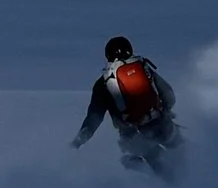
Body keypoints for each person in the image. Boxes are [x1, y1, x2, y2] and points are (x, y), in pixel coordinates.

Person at [75, 35, 180, 176]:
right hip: (160, 123)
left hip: (132, 136)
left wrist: (78, 141)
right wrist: (165, 110)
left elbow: (94, 118)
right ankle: (201, 177)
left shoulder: (103, 84)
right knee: (180, 150)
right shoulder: (144, 68)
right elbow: (169, 94)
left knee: (151, 165)